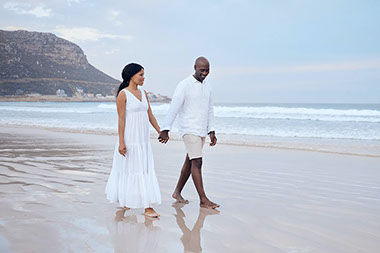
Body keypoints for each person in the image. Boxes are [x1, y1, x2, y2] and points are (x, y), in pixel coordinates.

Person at [159, 57, 220, 209]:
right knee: (197, 162)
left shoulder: (207, 86)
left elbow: (210, 109)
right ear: (195, 68)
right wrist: (165, 129)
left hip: (201, 130)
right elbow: (174, 106)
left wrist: (211, 130)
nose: (205, 73)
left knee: (190, 161)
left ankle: (177, 192)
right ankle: (203, 199)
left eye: (207, 70)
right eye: (202, 70)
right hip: (188, 128)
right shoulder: (184, 85)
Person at [105, 63, 161, 218]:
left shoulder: (143, 93)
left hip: (142, 141)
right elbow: (121, 120)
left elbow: (150, 114)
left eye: (143, 74)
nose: (143, 78)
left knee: (142, 168)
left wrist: (160, 130)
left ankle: (134, 202)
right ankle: (147, 207)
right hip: (130, 139)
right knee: (130, 169)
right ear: (132, 76)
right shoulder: (123, 94)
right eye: (141, 75)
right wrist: (121, 142)